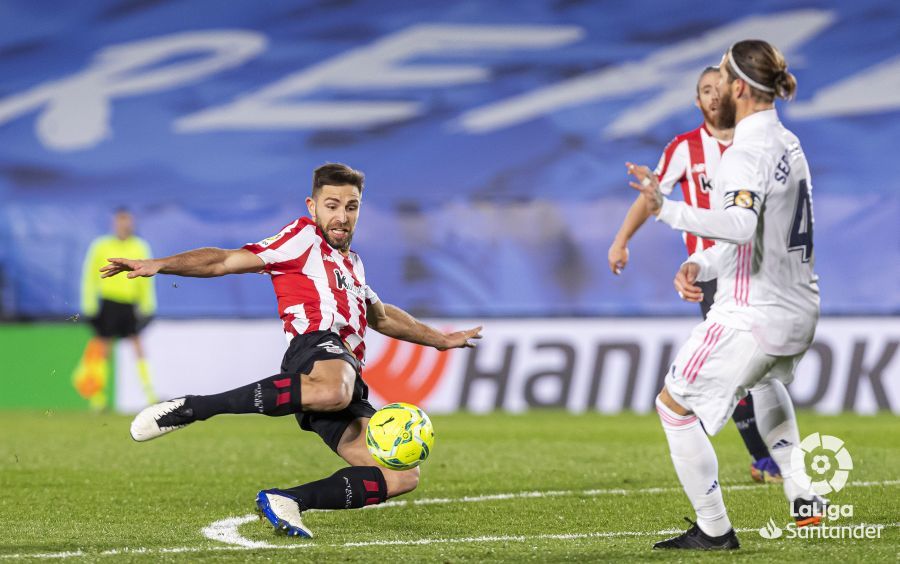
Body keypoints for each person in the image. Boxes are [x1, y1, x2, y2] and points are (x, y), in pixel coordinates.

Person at [100, 163, 482, 538]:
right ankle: (194, 407)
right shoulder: (302, 238)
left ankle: (287, 500)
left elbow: (380, 317)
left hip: (343, 378)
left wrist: (440, 339)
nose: (342, 216)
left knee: (402, 475)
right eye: (332, 205)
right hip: (315, 349)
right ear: (312, 207)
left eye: (351, 207)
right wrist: (160, 265)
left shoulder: (353, 265)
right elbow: (225, 260)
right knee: (335, 387)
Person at [626, 39, 824, 550]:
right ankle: (804, 492)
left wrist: (666, 210)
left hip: (751, 314)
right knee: (763, 382)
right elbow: (762, 235)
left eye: (720, 76)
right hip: (798, 306)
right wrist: (702, 261)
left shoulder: (745, 151)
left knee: (673, 406)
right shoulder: (788, 142)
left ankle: (714, 529)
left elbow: (738, 224)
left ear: (738, 86)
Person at [609, 67, 781, 484]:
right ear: (697, 101)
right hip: (713, 273)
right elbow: (653, 197)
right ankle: (766, 458)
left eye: (720, 88)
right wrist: (621, 240)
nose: (714, 96)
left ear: (735, 93)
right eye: (705, 90)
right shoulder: (685, 148)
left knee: (761, 364)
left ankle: (770, 457)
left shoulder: (756, 143)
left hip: (762, 268)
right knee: (740, 364)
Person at [74, 208, 157, 410]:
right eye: (121, 221)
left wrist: (148, 304)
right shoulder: (101, 245)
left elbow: (147, 278)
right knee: (103, 348)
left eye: (127, 221)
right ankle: (98, 398)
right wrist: (89, 304)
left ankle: (150, 394)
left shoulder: (140, 246)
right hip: (108, 302)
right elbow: (90, 275)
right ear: (114, 223)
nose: (124, 225)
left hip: (129, 303)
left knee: (137, 345)